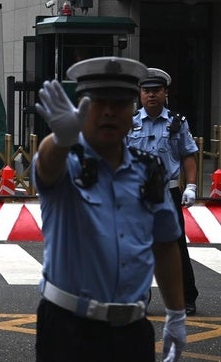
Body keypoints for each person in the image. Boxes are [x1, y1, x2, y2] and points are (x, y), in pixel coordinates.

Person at [32, 57, 186, 361]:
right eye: (98, 102)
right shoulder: (68, 163)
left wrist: (176, 314)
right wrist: (60, 140)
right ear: (81, 109)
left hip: (132, 332)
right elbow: (46, 168)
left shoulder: (148, 170)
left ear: (133, 112)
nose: (108, 112)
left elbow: (166, 245)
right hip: (68, 330)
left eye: (119, 103)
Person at [127, 68, 199, 316]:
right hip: (137, 194)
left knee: (175, 246)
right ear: (140, 94)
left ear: (165, 92)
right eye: (146, 91)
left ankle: (186, 298)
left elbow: (188, 154)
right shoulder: (130, 122)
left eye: (156, 90)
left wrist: (190, 186)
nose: (151, 95)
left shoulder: (176, 122)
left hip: (168, 193)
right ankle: (139, 298)